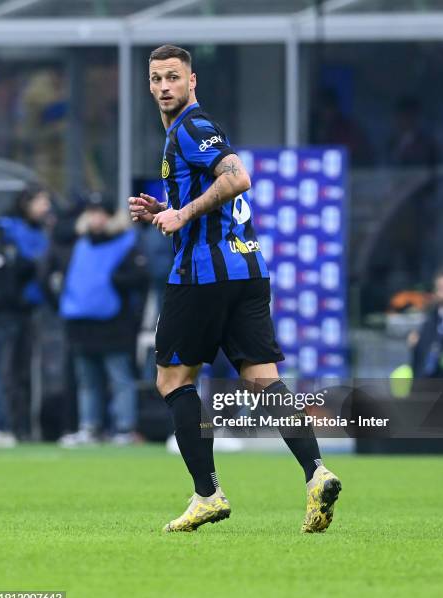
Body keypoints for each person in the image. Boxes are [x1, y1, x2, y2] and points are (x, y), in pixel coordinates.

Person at [129, 45, 342, 534]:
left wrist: (182, 214)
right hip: (248, 268)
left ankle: (207, 494)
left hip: (202, 274)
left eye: (173, 78)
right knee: (262, 379)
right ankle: (316, 474)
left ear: (192, 81)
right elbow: (214, 191)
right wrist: (166, 205)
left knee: (173, 381)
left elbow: (238, 176)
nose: (164, 86)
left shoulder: (192, 128)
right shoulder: (186, 134)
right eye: (156, 78)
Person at [53, 193, 148, 446]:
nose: (96, 218)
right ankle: (89, 426)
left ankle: (124, 428)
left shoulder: (127, 243)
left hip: (114, 323)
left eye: (101, 213)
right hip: (81, 321)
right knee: (87, 379)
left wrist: (113, 281)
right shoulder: (80, 242)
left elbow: (140, 278)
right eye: (92, 212)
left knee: (119, 377)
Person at [0, 184, 51, 444]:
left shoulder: (42, 230)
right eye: (41, 201)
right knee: (2, 370)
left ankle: (22, 427)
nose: (46, 207)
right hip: (5, 311)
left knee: (24, 372)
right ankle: (0, 426)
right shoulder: (5, 230)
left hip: (29, 310)